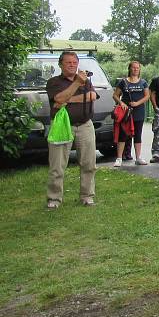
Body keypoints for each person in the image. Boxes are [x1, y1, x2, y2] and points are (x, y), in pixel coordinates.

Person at [45, 51, 98, 208]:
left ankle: (87, 196)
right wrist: (76, 84)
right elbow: (58, 99)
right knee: (57, 165)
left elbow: (92, 96)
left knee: (89, 163)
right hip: (62, 126)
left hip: (85, 125)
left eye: (75, 63)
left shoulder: (86, 81)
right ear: (61, 64)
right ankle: (54, 198)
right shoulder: (54, 82)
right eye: (68, 63)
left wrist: (68, 100)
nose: (72, 65)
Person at [112, 60, 150, 166]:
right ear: (129, 68)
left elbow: (147, 96)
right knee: (123, 134)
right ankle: (119, 158)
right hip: (126, 113)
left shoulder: (143, 82)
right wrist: (121, 103)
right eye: (133, 67)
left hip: (139, 111)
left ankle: (138, 157)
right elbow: (115, 95)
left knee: (138, 134)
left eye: (137, 68)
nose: (135, 70)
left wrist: (138, 103)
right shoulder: (123, 82)